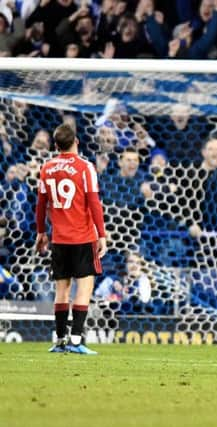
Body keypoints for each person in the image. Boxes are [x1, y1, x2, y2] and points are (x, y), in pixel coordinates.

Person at [35, 123, 107, 355]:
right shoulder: (86, 167)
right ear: (76, 141)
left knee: (61, 290)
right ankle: (76, 341)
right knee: (84, 287)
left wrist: (40, 232)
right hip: (83, 238)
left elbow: (41, 205)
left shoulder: (46, 168)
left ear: (56, 146)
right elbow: (94, 203)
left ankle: (60, 340)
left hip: (59, 239)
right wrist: (102, 234)